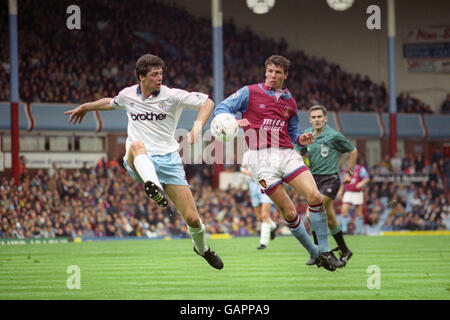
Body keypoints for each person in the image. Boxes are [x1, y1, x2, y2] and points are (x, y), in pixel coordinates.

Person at [64, 54, 223, 270]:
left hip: (168, 160)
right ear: (142, 77)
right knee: (137, 145)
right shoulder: (128, 95)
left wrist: (197, 126)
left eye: (161, 73)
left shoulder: (172, 95)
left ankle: (202, 249)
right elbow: (110, 103)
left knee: (193, 220)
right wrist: (86, 106)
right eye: (155, 74)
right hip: (139, 159)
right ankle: (154, 186)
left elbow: (207, 102)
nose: (160, 78)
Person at [215, 55, 343, 271]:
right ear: (265, 72)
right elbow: (221, 109)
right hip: (260, 160)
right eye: (270, 71)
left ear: (285, 75)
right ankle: (314, 253)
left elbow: (294, 131)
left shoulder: (289, 101)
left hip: (286, 153)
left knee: (314, 196)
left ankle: (325, 251)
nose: (272, 76)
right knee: (290, 213)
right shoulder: (249, 92)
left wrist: (301, 139)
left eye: (277, 72)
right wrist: (234, 122)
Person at [297, 105, 356, 266]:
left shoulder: (334, 136)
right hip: (313, 181)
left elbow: (352, 150)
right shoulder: (307, 136)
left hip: (330, 180)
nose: (316, 119)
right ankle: (345, 250)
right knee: (330, 218)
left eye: (319, 117)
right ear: (310, 120)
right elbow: (297, 152)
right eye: (313, 117)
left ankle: (320, 253)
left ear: (325, 118)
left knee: (311, 215)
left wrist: (349, 172)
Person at [241, 149, 279, 250]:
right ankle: (273, 226)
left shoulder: (268, 152)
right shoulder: (248, 154)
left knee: (264, 214)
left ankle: (263, 243)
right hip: (253, 185)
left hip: (266, 183)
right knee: (259, 217)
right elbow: (242, 168)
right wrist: (249, 173)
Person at [337, 159, 370, 235]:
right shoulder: (346, 170)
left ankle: (359, 231)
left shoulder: (360, 169)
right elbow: (343, 182)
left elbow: (366, 178)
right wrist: (340, 191)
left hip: (357, 193)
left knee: (358, 213)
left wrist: (361, 183)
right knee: (344, 210)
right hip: (348, 192)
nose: (349, 163)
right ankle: (344, 230)